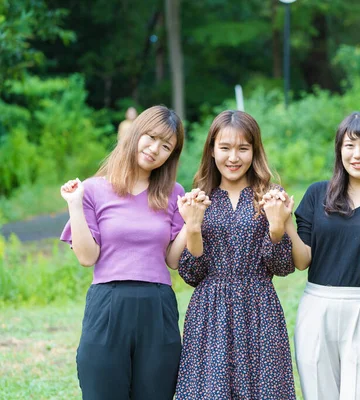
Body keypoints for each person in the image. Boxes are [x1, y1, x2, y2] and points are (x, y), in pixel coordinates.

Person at [266, 111, 360, 399]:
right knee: (318, 392)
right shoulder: (317, 194)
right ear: (339, 151)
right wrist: (285, 221)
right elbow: (302, 260)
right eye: (349, 145)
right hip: (317, 306)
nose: (357, 154)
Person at [60, 105, 188, 400]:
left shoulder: (174, 193)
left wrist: (190, 225)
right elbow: (86, 257)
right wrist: (75, 204)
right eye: (151, 137)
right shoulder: (92, 189)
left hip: (157, 306)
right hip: (107, 304)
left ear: (172, 154)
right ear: (135, 133)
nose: (155, 149)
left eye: (166, 146)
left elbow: (172, 260)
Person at [175, 110, 296, 399]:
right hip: (210, 311)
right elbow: (191, 273)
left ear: (254, 151)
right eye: (225, 148)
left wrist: (277, 227)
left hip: (259, 307)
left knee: (264, 390)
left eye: (243, 148)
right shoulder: (200, 197)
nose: (233, 157)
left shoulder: (270, 195)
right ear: (212, 149)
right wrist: (192, 227)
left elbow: (282, 266)